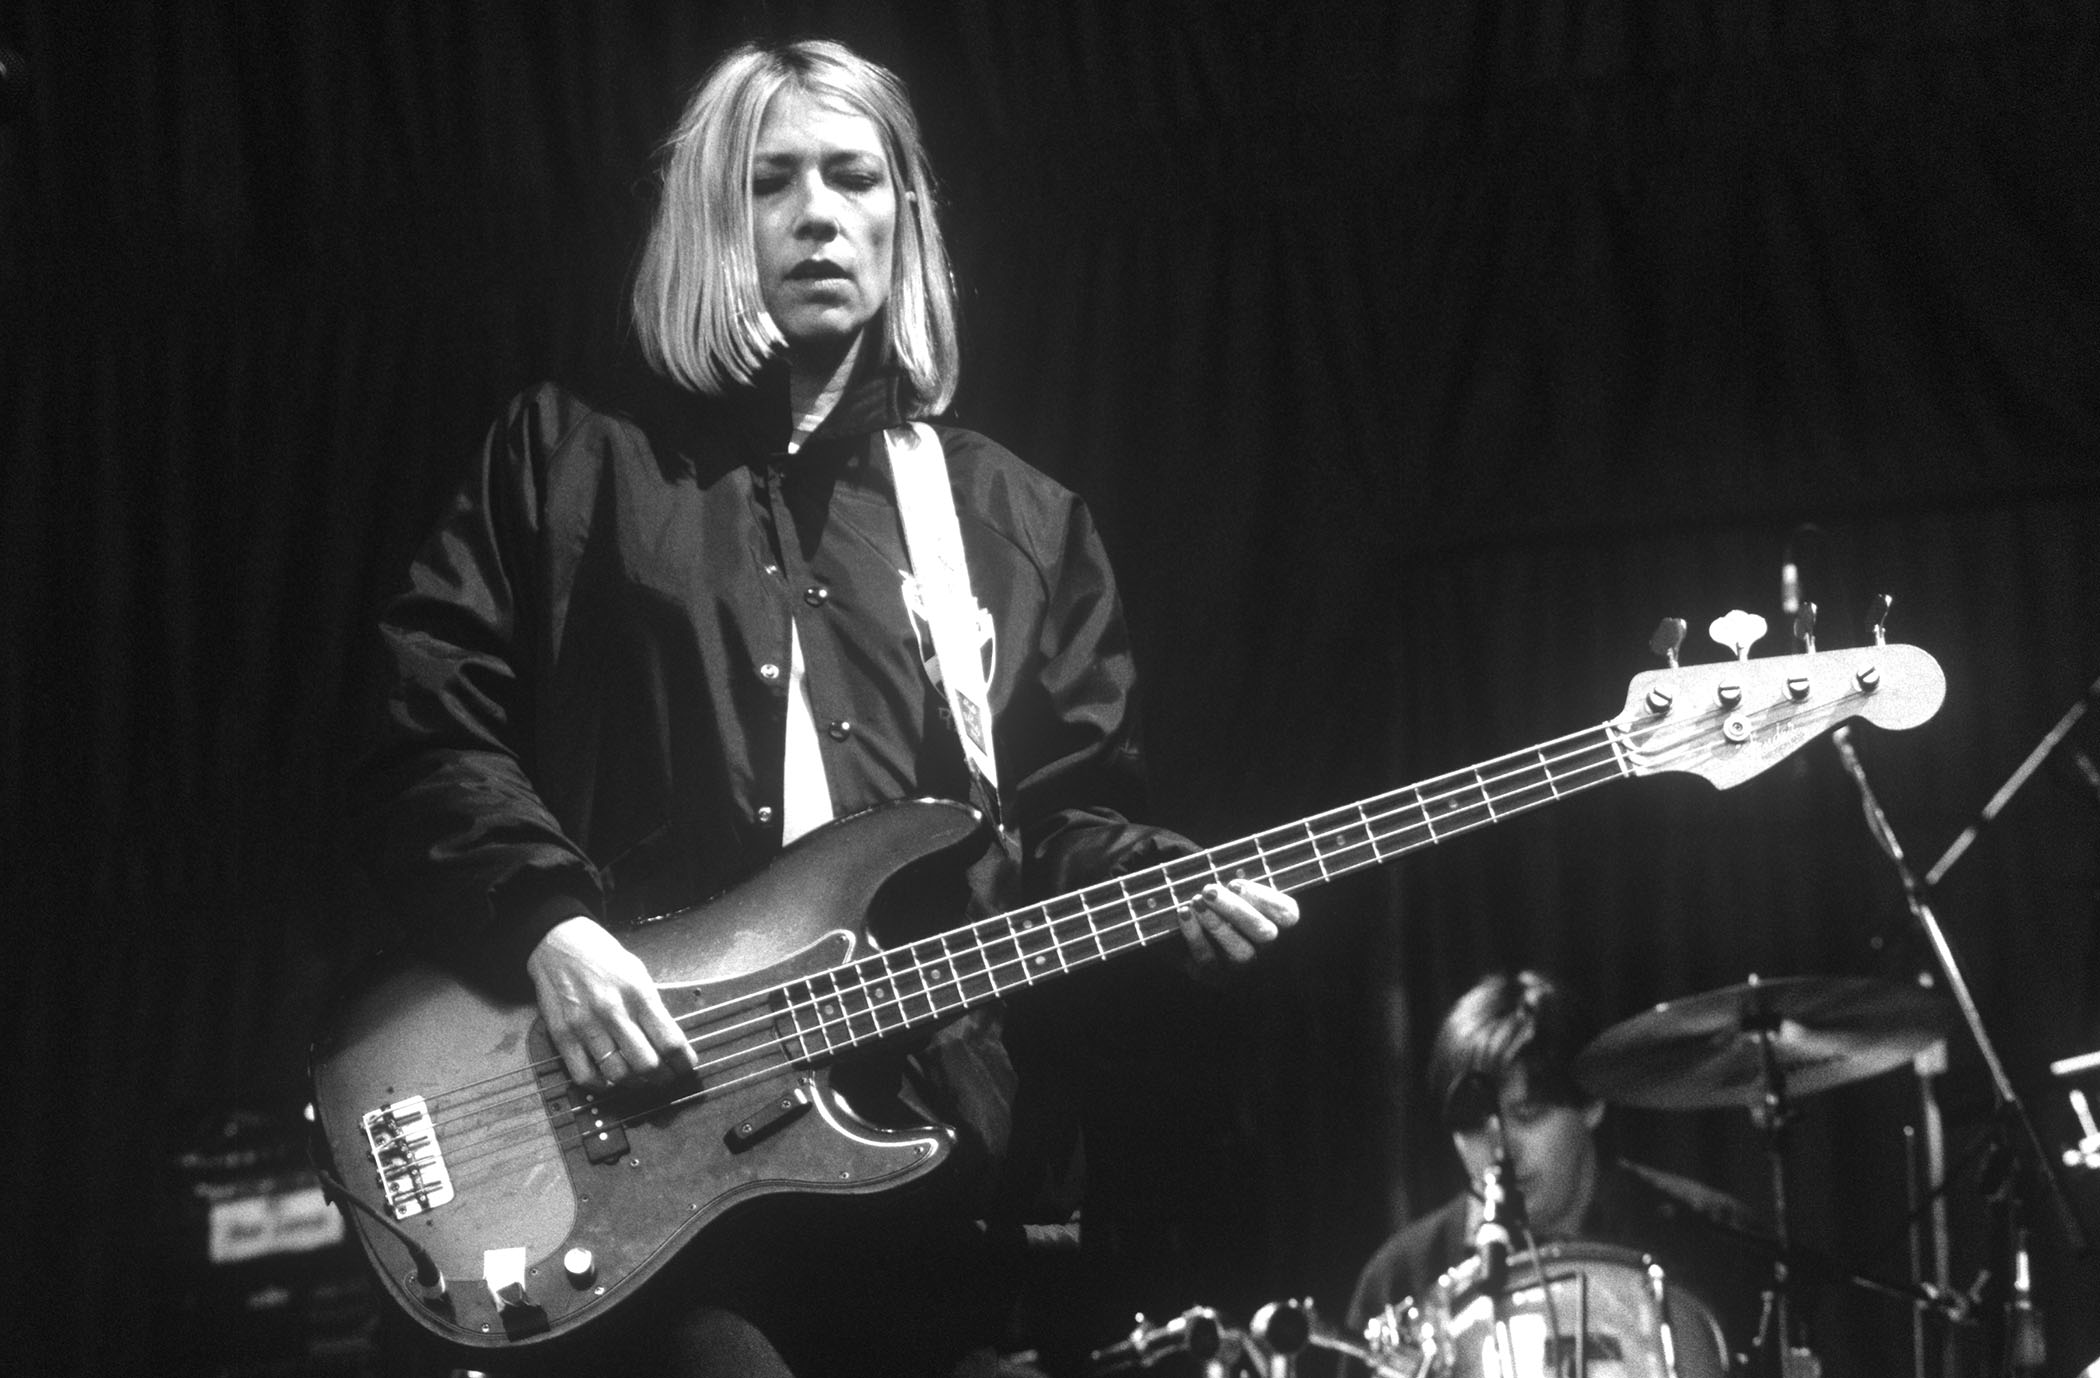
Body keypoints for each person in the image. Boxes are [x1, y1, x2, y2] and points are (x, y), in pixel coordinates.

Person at [348, 36, 1298, 1378]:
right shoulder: (571, 456)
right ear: (708, 222)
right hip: (644, 1155)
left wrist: (1165, 890)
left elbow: (1064, 815)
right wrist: (547, 922)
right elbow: (426, 722)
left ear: (904, 216)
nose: (818, 215)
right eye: (772, 183)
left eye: (855, 178)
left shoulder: (1011, 521)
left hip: (935, 1171)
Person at [1345, 971, 1766, 1371]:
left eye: (1527, 1115)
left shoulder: (1717, 1242)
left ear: (1591, 1105)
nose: (1500, 1150)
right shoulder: (1400, 1277)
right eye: (1472, 1126)